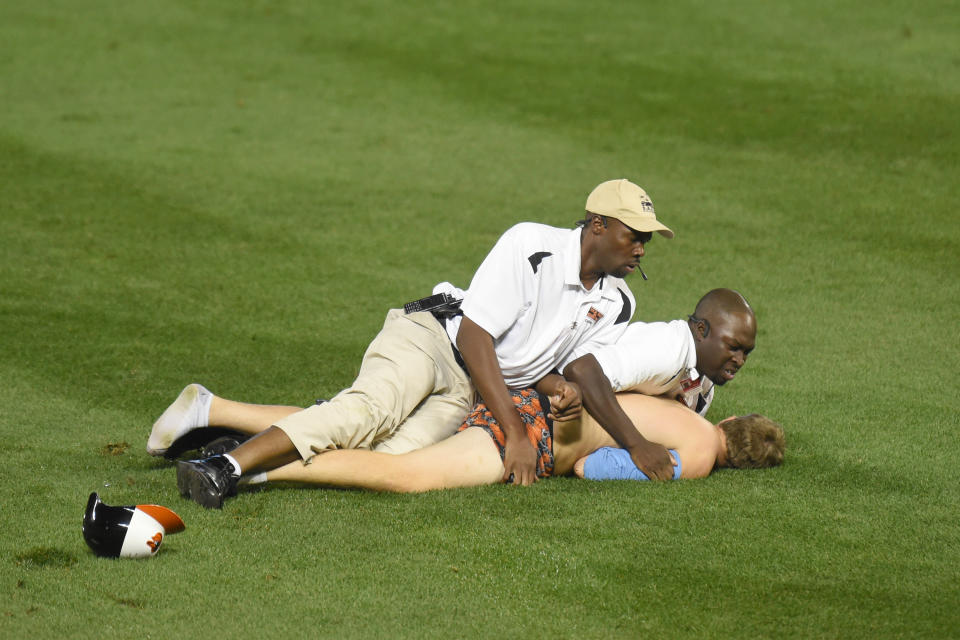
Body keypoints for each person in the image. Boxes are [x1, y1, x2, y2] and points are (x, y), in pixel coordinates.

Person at [164, 179, 678, 508]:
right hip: (434, 338)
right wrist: (516, 433)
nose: (641, 247)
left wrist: (560, 391)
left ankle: (229, 431)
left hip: (474, 388)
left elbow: (541, 360)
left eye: (647, 239)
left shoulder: (618, 303)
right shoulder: (533, 246)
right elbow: (478, 338)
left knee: (386, 456)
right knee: (366, 411)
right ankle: (223, 468)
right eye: (633, 235)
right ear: (596, 225)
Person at [242, 386, 785, 493]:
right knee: (404, 475)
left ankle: (223, 415)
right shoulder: (696, 462)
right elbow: (588, 470)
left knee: (367, 427)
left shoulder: (679, 406)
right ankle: (258, 467)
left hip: (532, 402)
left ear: (732, 421)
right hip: (536, 435)